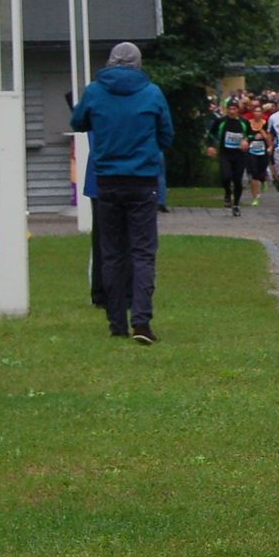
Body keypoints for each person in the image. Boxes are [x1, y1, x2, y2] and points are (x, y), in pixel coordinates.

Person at [71, 43, 173, 344]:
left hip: (107, 180)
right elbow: (166, 134)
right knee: (142, 252)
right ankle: (141, 321)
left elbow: (77, 122)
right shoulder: (152, 93)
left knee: (112, 252)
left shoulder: (94, 91)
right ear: (138, 64)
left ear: (110, 62)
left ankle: (116, 322)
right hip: (142, 180)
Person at [204, 98, 253, 216]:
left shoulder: (244, 122)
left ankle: (236, 205)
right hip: (225, 154)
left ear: (238, 110)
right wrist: (210, 146)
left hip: (239, 155)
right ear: (226, 110)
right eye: (230, 109)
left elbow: (251, 134)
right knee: (226, 176)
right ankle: (227, 192)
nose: (232, 112)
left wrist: (246, 140)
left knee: (237, 180)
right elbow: (211, 135)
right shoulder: (221, 122)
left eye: (234, 109)